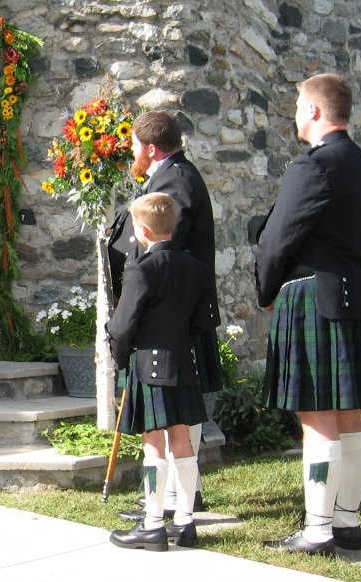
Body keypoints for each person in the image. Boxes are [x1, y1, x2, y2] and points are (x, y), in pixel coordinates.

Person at [255, 73, 361, 556]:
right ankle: (346, 522)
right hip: (353, 291)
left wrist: (268, 289)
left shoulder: (314, 166)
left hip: (311, 294)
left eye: (296, 107)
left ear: (312, 111)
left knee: (318, 419)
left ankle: (317, 530)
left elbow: (276, 239)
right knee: (350, 416)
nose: (294, 116)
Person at [108, 111, 220, 522]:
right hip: (173, 311)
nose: (133, 153)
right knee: (178, 410)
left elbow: (164, 247)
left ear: (150, 148)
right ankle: (178, 499)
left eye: (136, 146)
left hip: (170, 315)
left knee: (174, 414)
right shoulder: (172, 174)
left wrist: (135, 291)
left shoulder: (175, 180)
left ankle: (174, 499)